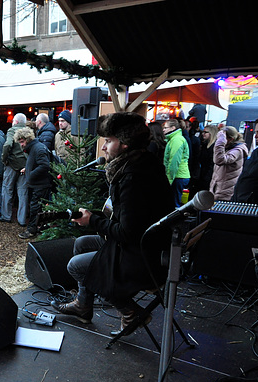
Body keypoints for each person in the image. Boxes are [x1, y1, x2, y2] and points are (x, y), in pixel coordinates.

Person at [50, 112, 173, 334]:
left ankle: (129, 310)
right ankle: (83, 306)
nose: (104, 147)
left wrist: (93, 220)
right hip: (147, 246)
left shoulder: (133, 176)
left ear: (125, 144)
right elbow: (129, 218)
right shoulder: (142, 164)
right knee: (82, 244)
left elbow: (127, 232)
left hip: (143, 256)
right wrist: (94, 217)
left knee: (75, 266)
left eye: (108, 141)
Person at [16, 127, 52, 239]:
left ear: (28, 139)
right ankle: (39, 229)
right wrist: (27, 169)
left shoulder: (38, 148)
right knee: (37, 208)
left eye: (22, 142)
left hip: (41, 184)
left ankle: (32, 230)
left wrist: (31, 174)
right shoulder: (35, 148)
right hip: (38, 183)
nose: (21, 145)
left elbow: (45, 165)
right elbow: (39, 164)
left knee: (35, 208)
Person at [0, 112, 28, 226]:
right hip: (24, 166)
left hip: (11, 165)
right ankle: (22, 219)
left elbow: (7, 145)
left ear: (15, 122)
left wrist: (4, 159)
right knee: (23, 193)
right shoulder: (29, 131)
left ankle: (6, 216)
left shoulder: (12, 130)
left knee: (7, 190)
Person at [209, 127, 249, 201]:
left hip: (225, 193)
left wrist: (220, 142)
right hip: (218, 190)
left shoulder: (238, 150)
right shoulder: (228, 148)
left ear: (230, 139)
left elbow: (219, 160)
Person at [162, 119, 190, 207]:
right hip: (179, 175)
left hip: (178, 176)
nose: (163, 129)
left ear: (173, 128)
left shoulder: (176, 140)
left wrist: (169, 179)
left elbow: (174, 161)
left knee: (175, 204)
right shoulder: (174, 139)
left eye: (166, 127)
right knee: (175, 202)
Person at [197, 124, 218, 192]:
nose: (203, 134)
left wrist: (207, 178)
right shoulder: (205, 145)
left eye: (205, 132)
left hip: (208, 177)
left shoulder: (214, 147)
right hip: (203, 175)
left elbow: (212, 164)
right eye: (203, 132)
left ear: (211, 133)